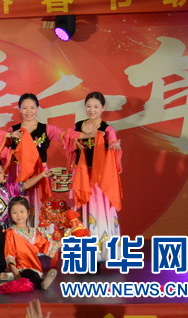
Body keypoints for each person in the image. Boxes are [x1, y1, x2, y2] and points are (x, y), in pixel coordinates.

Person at [0, 93, 65, 228]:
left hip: (40, 172)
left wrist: (83, 137)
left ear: (37, 108)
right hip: (18, 172)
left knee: (39, 204)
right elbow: (0, 145)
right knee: (19, 204)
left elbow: (65, 136)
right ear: (19, 109)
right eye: (25, 108)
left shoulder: (46, 129)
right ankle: (18, 235)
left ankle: (40, 235)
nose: (29, 111)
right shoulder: (13, 130)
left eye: (32, 108)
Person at [62, 91, 122, 261]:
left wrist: (115, 147)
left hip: (98, 178)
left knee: (97, 210)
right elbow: (68, 143)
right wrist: (75, 146)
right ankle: (81, 253)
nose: (92, 110)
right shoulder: (78, 125)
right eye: (89, 106)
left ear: (103, 108)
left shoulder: (106, 129)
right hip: (81, 175)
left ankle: (98, 253)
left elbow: (113, 144)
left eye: (96, 107)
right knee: (80, 210)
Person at [0, 157, 53, 272]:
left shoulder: (9, 188)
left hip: (4, 232)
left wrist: (41, 175)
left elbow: (25, 185)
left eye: (0, 172)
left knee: (0, 265)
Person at [5, 197, 59, 290]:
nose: (18, 215)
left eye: (22, 211)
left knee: (33, 275)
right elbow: (9, 254)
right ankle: (42, 284)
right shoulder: (11, 232)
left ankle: (41, 282)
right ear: (10, 214)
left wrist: (65, 241)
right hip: (20, 268)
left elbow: (45, 245)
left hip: (35, 266)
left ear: (28, 212)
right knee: (29, 274)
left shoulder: (35, 232)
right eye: (14, 212)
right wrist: (16, 274)